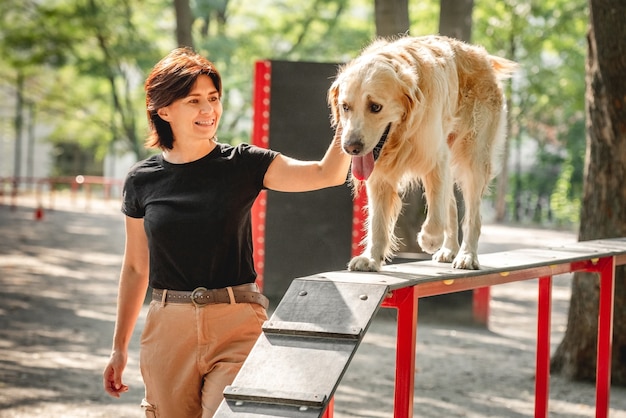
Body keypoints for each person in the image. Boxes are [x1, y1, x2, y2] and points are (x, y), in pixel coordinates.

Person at [102, 47, 350, 417]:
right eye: (194, 100)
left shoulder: (244, 164)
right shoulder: (141, 180)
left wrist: (353, 113)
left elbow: (326, 173)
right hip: (168, 330)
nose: (208, 110)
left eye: (213, 99)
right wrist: (119, 347)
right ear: (164, 110)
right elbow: (136, 268)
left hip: (237, 324)